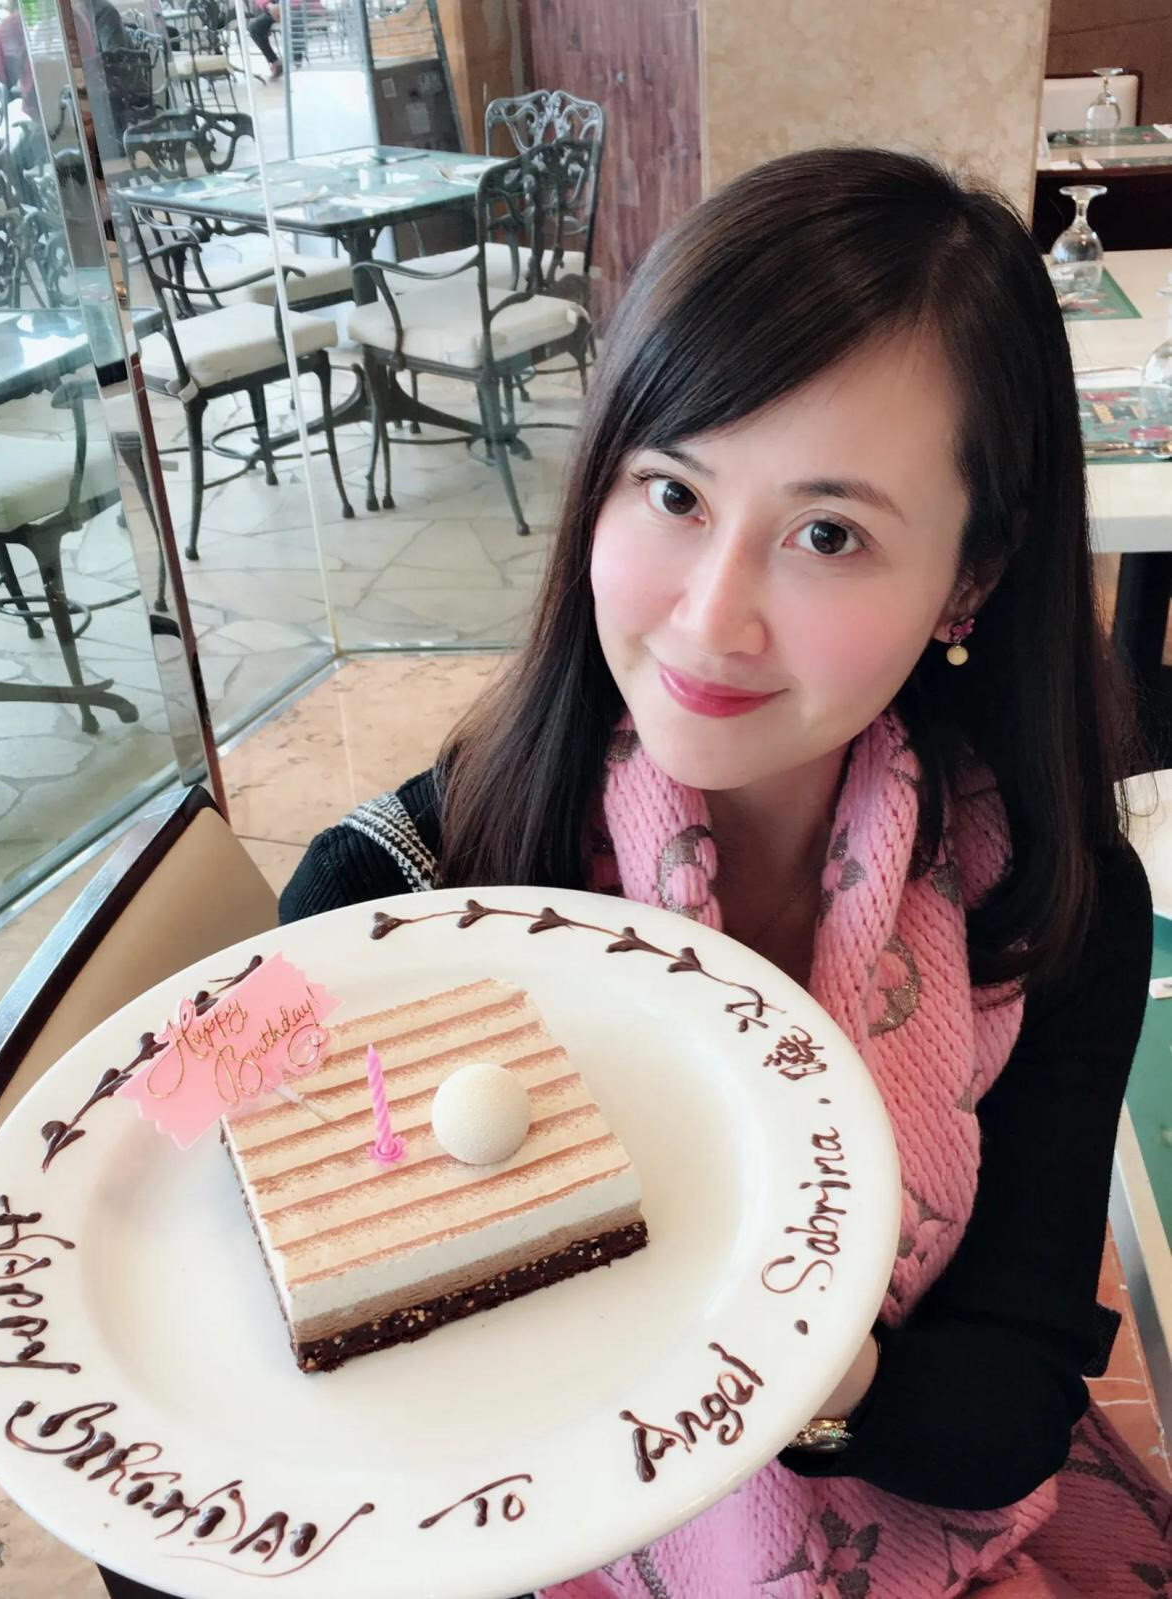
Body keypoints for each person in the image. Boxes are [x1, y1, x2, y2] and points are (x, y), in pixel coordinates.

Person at [280, 148, 1172, 1595]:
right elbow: (357, 1427)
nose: (710, 619)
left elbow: (1005, 1412)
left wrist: (773, 1347)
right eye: (673, 492)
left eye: (827, 533)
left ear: (968, 578)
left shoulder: (1044, 904)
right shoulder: (394, 905)